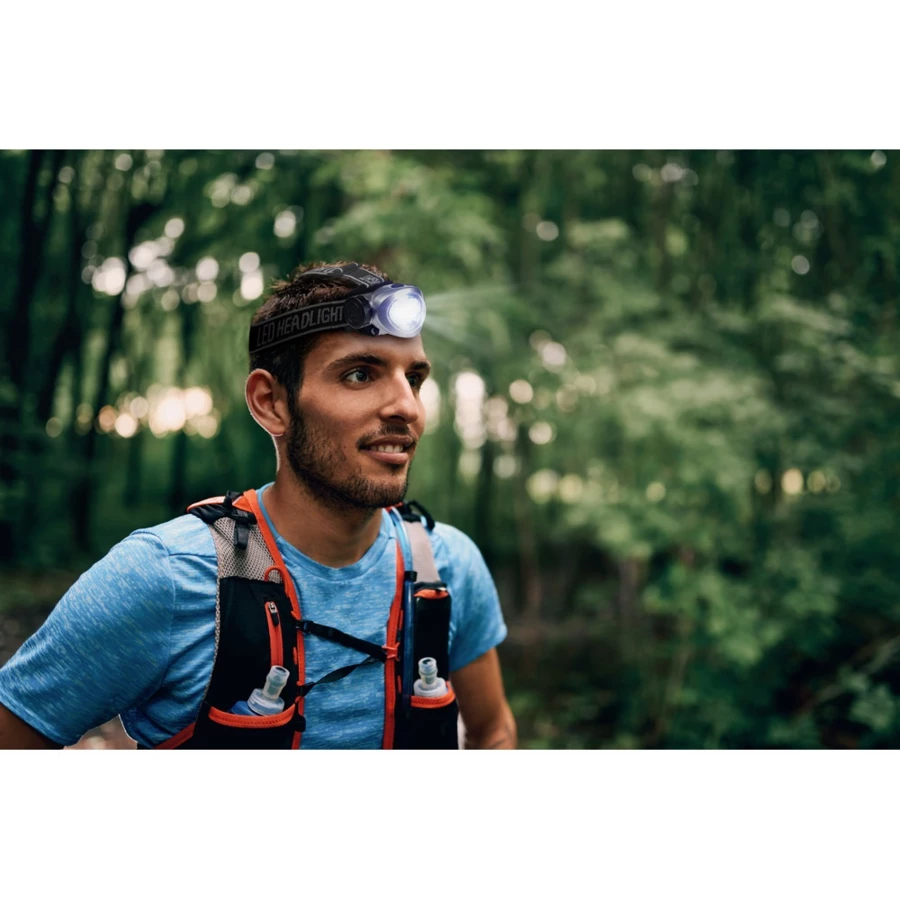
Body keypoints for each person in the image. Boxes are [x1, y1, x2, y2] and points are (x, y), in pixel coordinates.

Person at [0, 260, 517, 750]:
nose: (407, 406)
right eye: (360, 374)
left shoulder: (446, 565)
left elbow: (493, 730)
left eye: (415, 379)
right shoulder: (165, 575)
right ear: (271, 403)